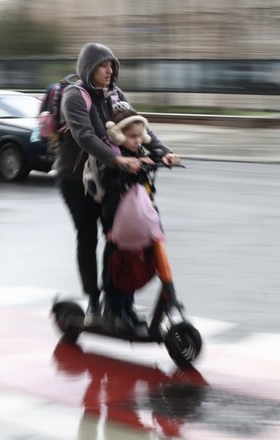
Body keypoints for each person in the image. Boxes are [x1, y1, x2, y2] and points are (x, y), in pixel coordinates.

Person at [54, 42, 176, 326]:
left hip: (110, 178)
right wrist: (118, 159)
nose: (110, 70)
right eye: (104, 65)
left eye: (112, 65)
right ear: (89, 68)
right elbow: (85, 135)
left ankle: (119, 305)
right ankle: (94, 302)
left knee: (120, 241)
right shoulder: (75, 96)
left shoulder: (115, 95)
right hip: (77, 181)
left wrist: (163, 152)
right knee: (88, 237)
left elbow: (138, 127)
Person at [98, 104, 181, 330]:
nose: (136, 140)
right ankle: (113, 310)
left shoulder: (138, 152)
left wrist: (165, 157)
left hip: (138, 218)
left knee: (134, 262)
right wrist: (126, 169)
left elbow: (154, 155)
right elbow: (109, 181)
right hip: (117, 219)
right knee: (117, 262)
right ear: (117, 135)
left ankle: (127, 308)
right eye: (131, 136)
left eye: (139, 136)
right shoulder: (114, 156)